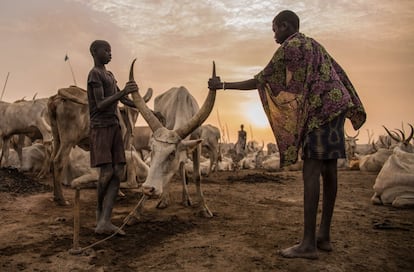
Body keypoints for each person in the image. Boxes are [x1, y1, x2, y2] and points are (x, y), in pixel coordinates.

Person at [208, 10, 366, 259]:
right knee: (329, 169)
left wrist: (224, 85)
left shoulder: (290, 46)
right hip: (337, 106)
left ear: (284, 26)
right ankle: (323, 236)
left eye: (274, 29)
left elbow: (262, 80)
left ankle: (308, 244)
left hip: (319, 112)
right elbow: (338, 72)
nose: (274, 34)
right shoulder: (313, 44)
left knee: (311, 171)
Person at [87, 40, 138, 235]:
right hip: (101, 127)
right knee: (106, 172)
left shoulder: (109, 74)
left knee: (118, 170)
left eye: (110, 50)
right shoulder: (95, 74)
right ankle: (99, 213)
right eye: (106, 50)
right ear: (94, 52)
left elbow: (123, 99)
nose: (110, 53)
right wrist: (124, 91)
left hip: (115, 126)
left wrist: (144, 108)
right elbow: (100, 104)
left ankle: (106, 220)